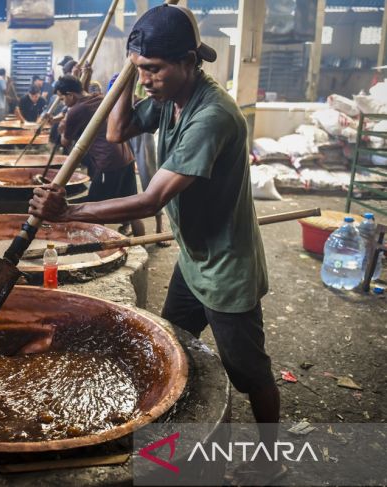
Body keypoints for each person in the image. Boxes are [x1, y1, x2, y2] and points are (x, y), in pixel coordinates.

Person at [30, 5, 283, 485]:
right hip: (193, 258)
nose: (147, 79)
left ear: (189, 62)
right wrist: (126, 75)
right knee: (171, 344)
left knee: (249, 372)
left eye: (154, 69)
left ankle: (273, 456)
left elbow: (152, 198)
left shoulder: (212, 116)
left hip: (227, 268)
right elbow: (116, 129)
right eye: (140, 69)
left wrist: (70, 212)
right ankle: (170, 446)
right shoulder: (169, 99)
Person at [54, 74, 144, 237]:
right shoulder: (99, 97)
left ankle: (99, 249)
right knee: (133, 209)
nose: (63, 103)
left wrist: (61, 129)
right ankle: (141, 243)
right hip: (126, 157)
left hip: (108, 163)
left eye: (62, 99)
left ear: (70, 95)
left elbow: (65, 142)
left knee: (95, 210)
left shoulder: (75, 111)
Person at [128, 79, 169, 244]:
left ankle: (160, 226)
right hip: (124, 135)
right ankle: (127, 221)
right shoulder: (117, 86)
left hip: (141, 133)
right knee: (126, 183)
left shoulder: (143, 86)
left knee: (149, 177)